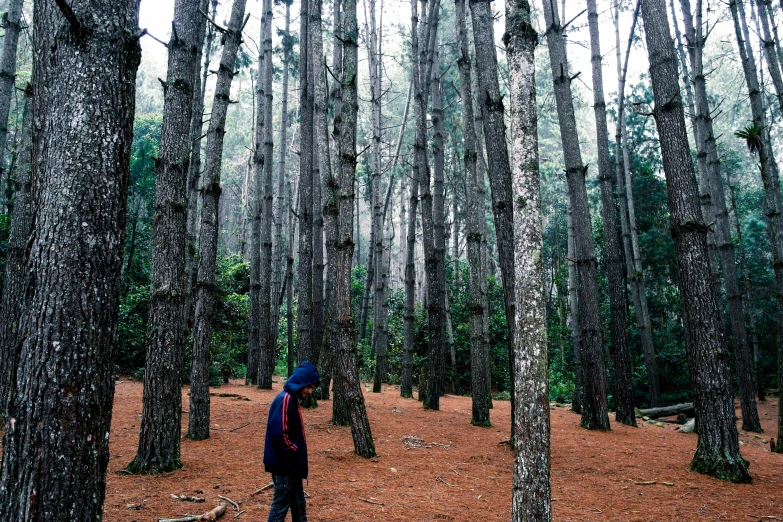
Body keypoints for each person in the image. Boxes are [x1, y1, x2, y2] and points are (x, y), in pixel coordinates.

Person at [263, 361, 320, 522]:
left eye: (313, 388)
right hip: (285, 467)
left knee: (298, 505)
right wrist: (293, 450)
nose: (310, 391)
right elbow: (278, 433)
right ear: (300, 382)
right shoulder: (285, 399)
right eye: (308, 387)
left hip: (291, 467)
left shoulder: (292, 399)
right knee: (280, 509)